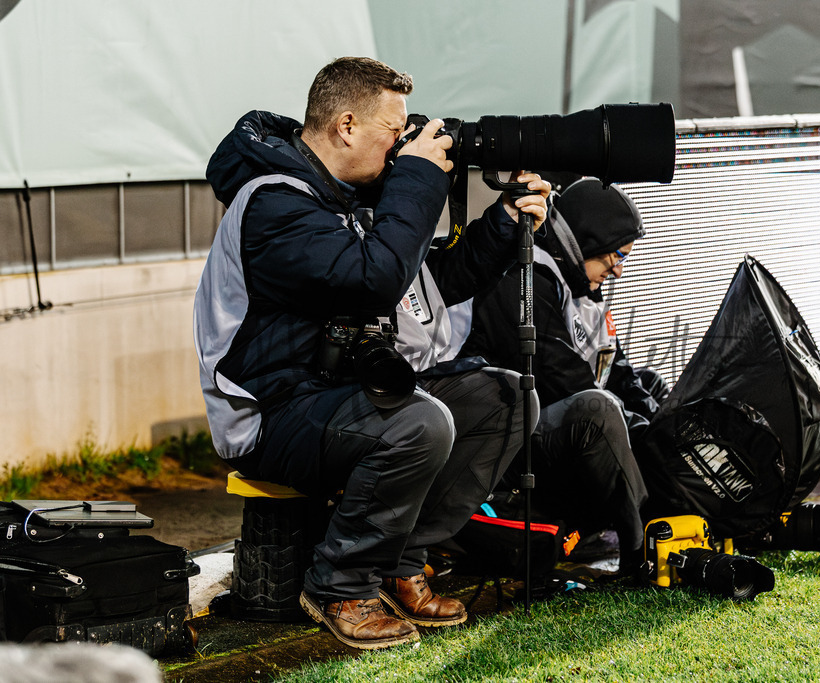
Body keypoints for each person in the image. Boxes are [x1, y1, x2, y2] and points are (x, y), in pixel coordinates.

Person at [194, 56, 548, 650]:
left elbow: (421, 281)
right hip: (270, 413)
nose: (402, 144)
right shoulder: (274, 202)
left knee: (508, 398)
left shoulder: (338, 198)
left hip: (336, 395)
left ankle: (400, 563)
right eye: (395, 131)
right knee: (419, 422)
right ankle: (339, 585)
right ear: (348, 125)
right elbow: (373, 279)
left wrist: (505, 221)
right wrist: (416, 180)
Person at [460, 177, 663, 577]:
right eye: (615, 257)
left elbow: (613, 366)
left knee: (650, 388)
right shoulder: (525, 274)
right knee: (600, 409)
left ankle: (673, 510)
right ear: (587, 240)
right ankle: (639, 547)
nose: (618, 271)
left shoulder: (581, 281)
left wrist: (660, 421)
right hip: (512, 440)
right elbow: (561, 377)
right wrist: (638, 425)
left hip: (560, 428)